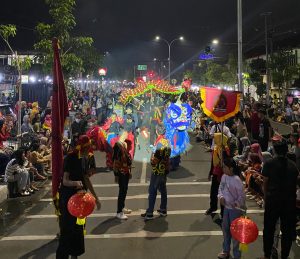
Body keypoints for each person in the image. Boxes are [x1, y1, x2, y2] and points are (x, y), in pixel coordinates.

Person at [56, 135, 101, 259]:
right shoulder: (70, 158)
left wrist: (96, 198)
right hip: (69, 201)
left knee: (79, 230)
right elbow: (65, 181)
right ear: (82, 147)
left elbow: (86, 178)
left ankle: (75, 256)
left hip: (81, 202)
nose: (89, 150)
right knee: (67, 231)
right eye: (87, 148)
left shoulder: (84, 158)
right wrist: (75, 183)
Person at [260, 139, 300, 259]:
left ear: (275, 150)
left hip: (273, 200)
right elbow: (295, 184)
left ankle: (267, 255)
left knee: (269, 229)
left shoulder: (269, 164)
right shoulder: (293, 166)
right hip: (289, 202)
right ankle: (284, 256)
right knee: (287, 231)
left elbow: (265, 183)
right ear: (287, 150)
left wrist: (266, 197)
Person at [141, 124, 171, 220]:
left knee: (152, 190)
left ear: (157, 131)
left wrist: (151, 157)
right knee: (163, 189)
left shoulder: (159, 143)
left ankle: (149, 212)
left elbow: (155, 160)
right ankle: (163, 209)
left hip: (158, 170)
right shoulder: (166, 141)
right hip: (165, 169)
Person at [217, 156, 245, 259]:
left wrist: (236, 203)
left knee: (235, 234)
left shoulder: (237, 180)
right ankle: (225, 251)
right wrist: (221, 197)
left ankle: (237, 255)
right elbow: (221, 188)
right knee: (226, 231)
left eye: (225, 167)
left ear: (231, 168)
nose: (223, 169)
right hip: (226, 209)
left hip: (235, 211)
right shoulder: (224, 177)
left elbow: (242, 196)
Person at [112, 130, 133, 220]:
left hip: (125, 171)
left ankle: (122, 207)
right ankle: (119, 211)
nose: (126, 136)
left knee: (124, 190)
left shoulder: (122, 145)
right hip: (121, 172)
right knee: (122, 191)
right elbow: (115, 161)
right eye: (125, 134)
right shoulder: (117, 146)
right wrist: (116, 174)